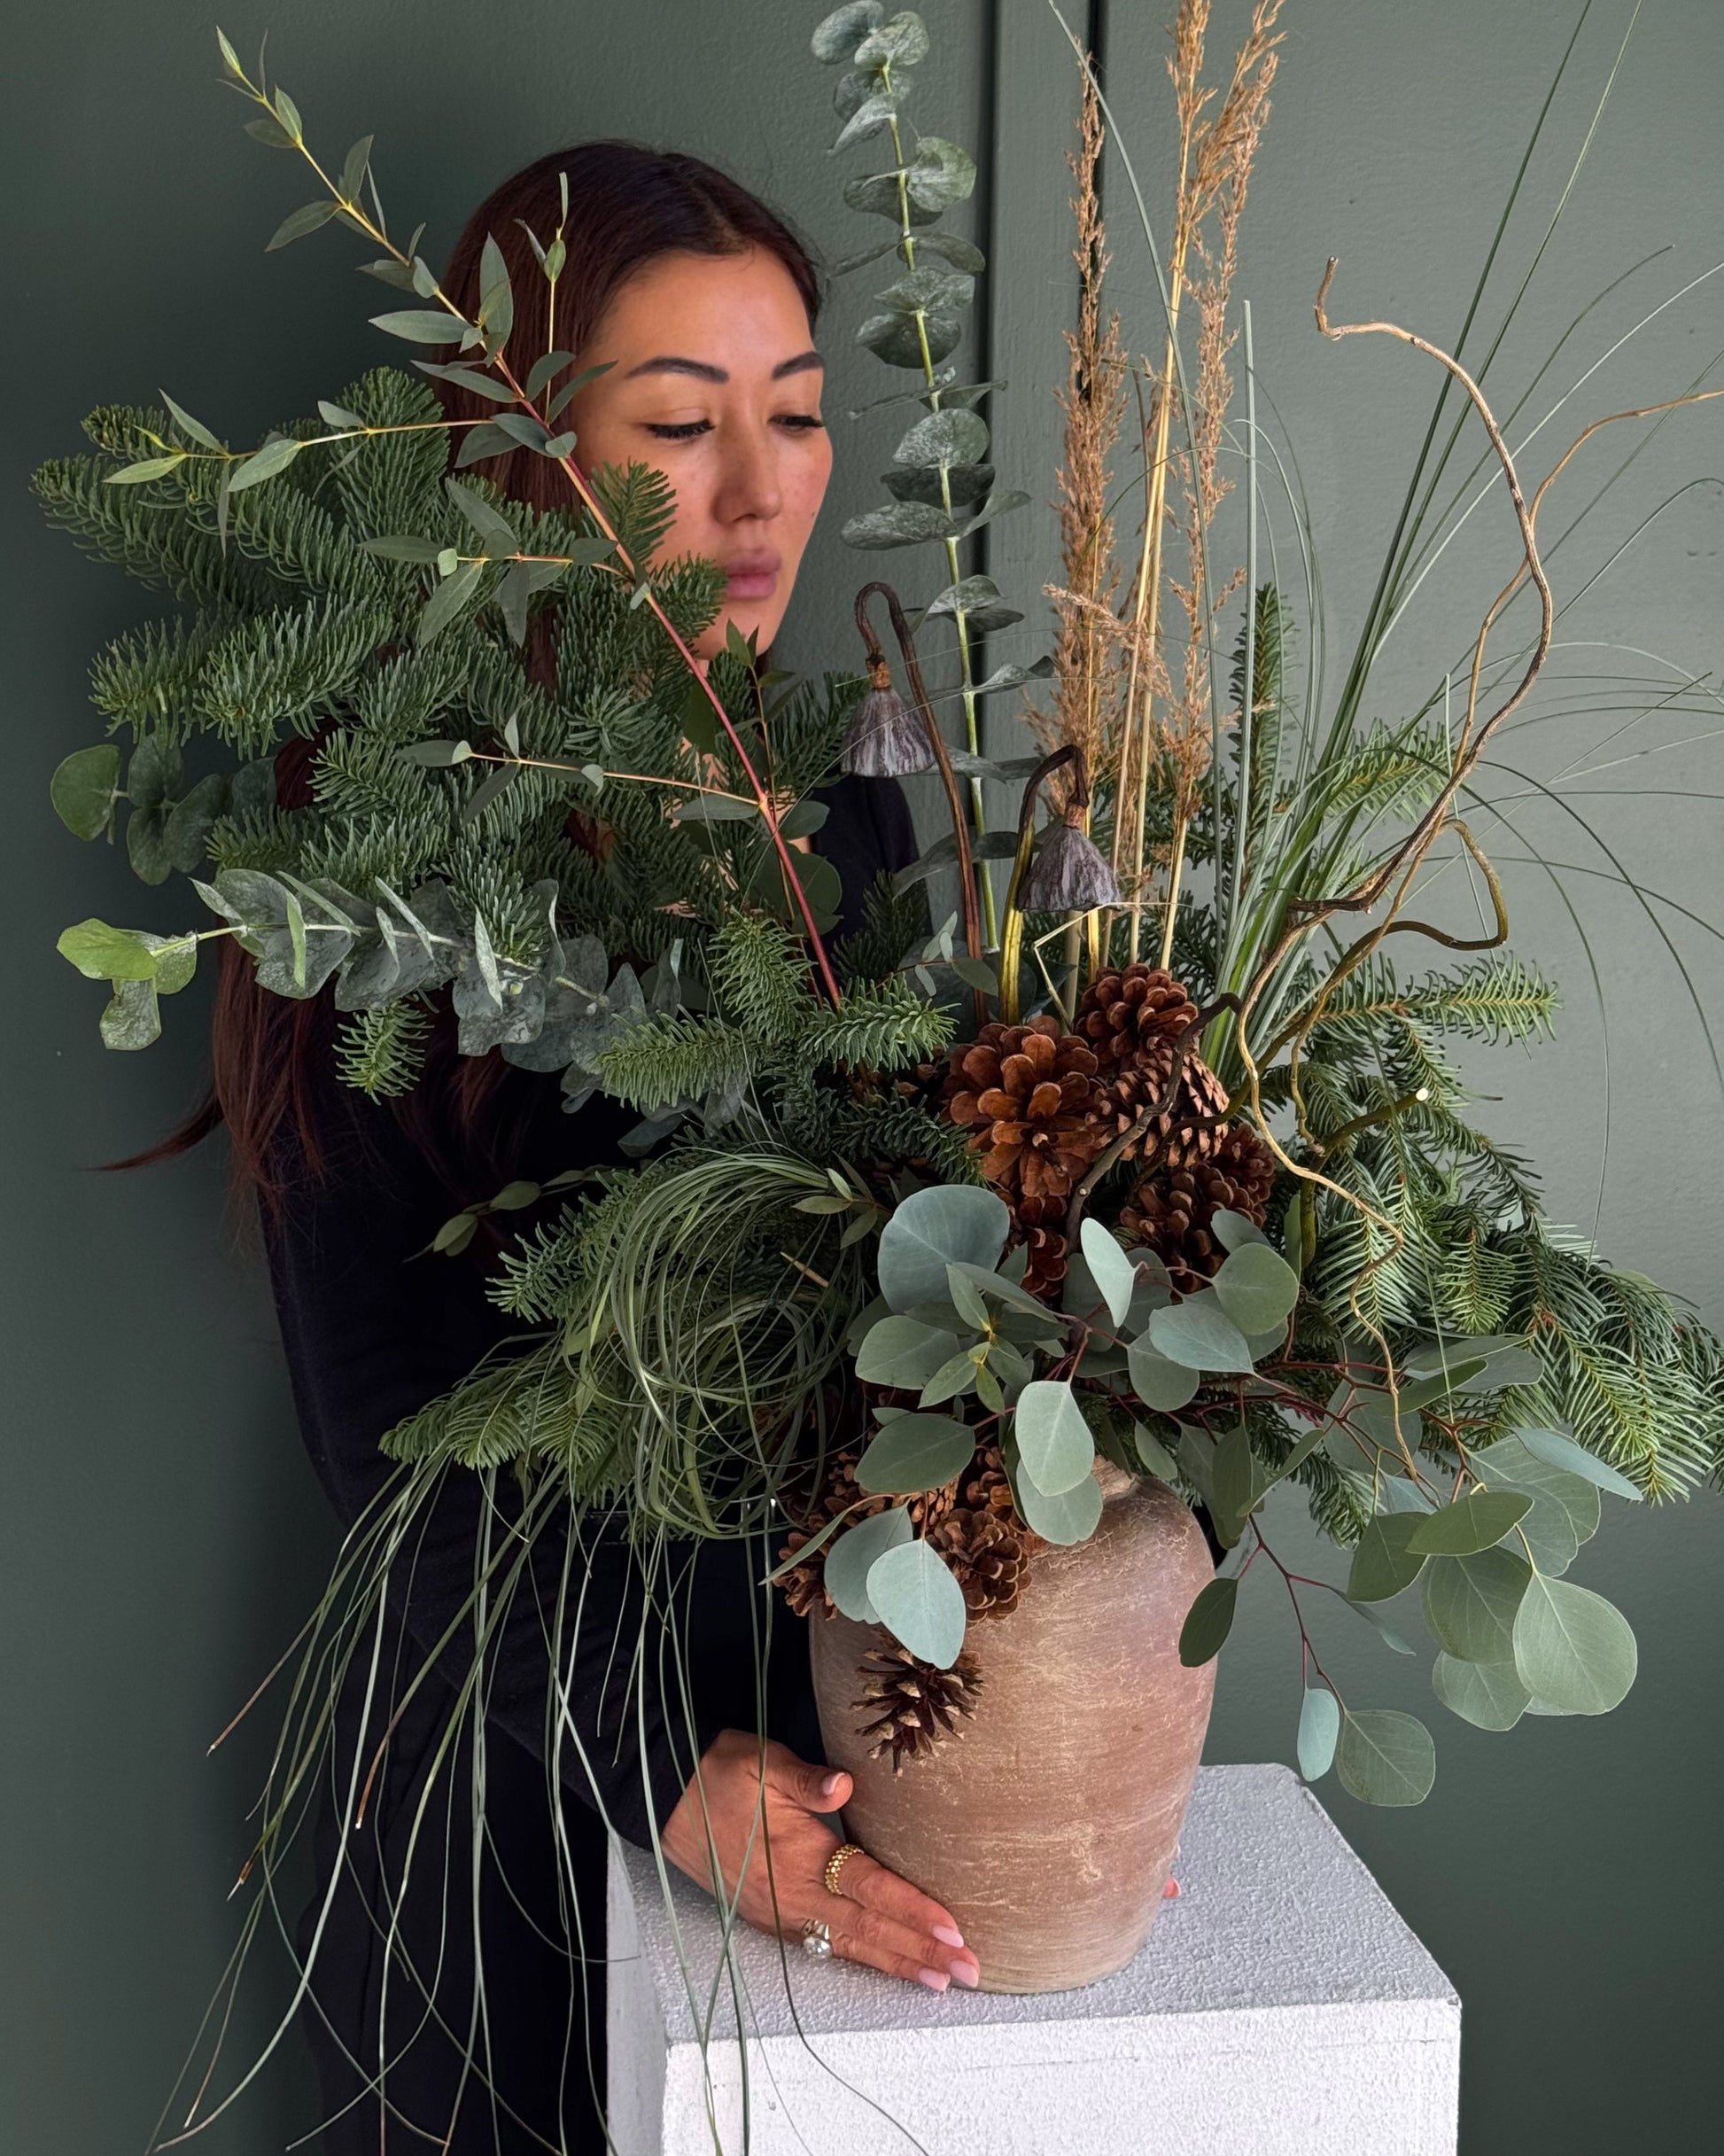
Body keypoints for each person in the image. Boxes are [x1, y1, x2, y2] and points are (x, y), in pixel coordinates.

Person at [130, 143, 984, 2152]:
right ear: (521, 458)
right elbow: (388, 1433)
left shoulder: (844, 809)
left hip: (843, 1768)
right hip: (507, 1809)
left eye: (797, 414)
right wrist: (664, 1768)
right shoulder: (379, 854)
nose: (763, 491)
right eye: (681, 425)